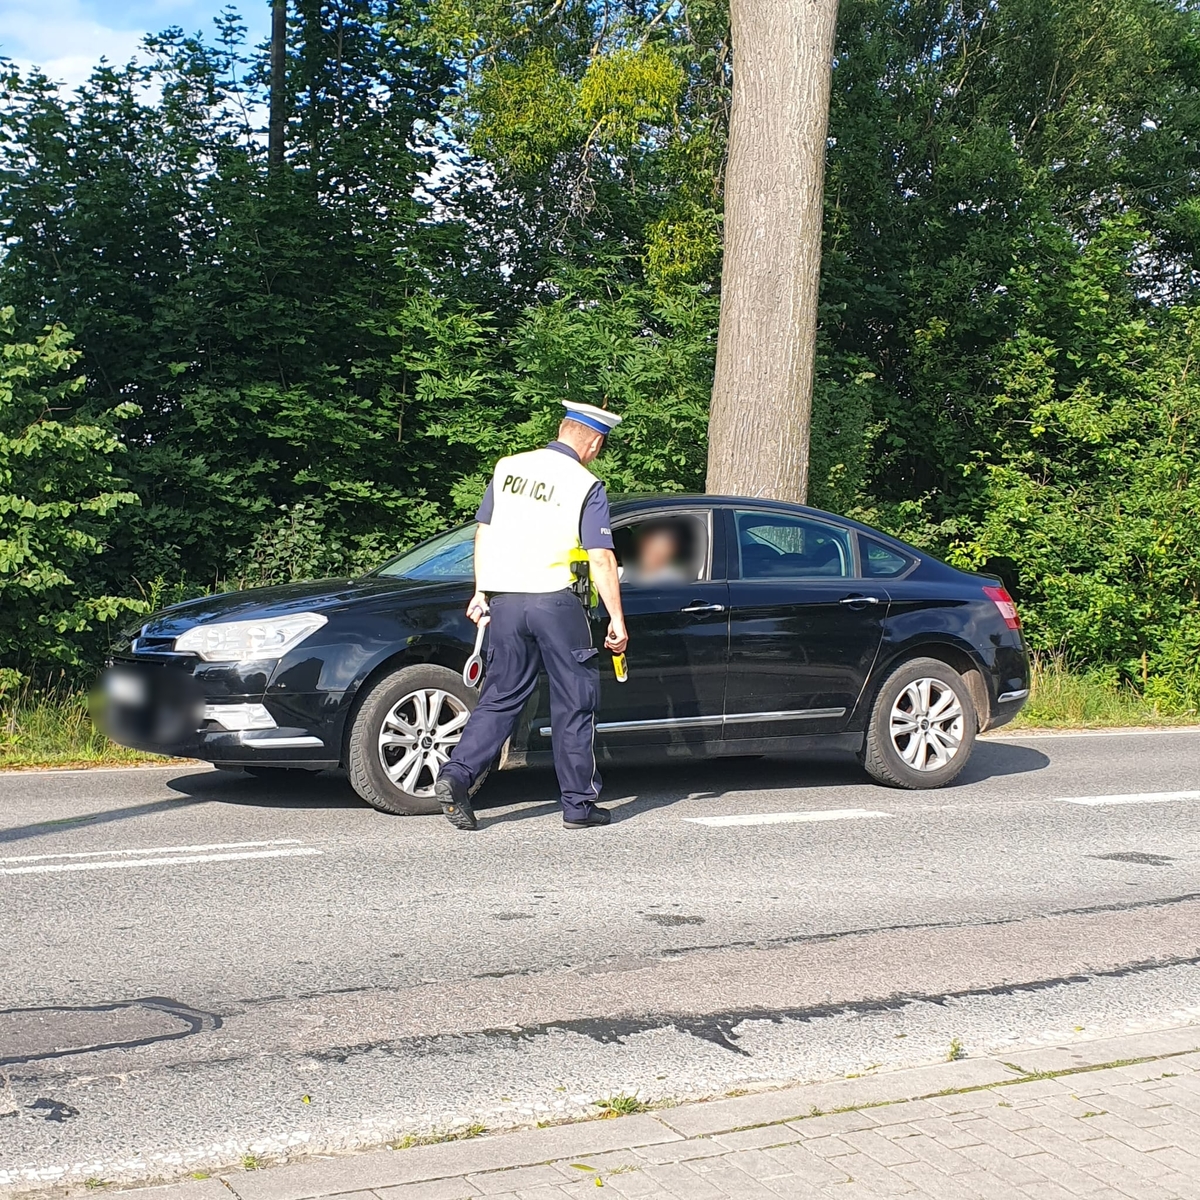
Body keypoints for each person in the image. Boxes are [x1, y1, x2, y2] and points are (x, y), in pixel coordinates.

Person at [433, 400, 629, 831]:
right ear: (594, 442)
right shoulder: (585, 483)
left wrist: (481, 590)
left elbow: (483, 532)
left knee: (501, 697)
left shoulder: (508, 468)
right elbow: (600, 556)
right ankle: (578, 805)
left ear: (560, 430)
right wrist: (617, 617)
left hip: (505, 602)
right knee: (575, 701)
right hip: (556, 603)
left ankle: (456, 775)